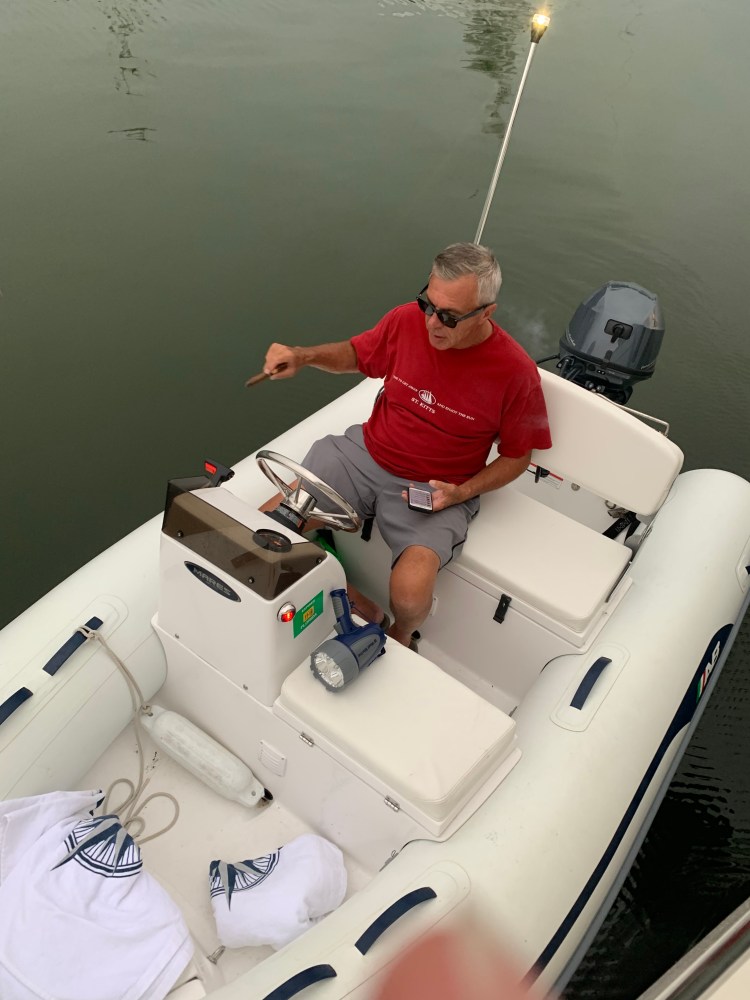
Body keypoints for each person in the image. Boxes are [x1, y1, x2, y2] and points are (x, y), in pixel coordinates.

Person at [260, 242, 551, 648]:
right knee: (264, 531)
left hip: (437, 488)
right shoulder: (405, 321)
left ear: (486, 313)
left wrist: (462, 492)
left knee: (411, 595)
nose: (432, 323)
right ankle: (352, 598)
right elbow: (357, 354)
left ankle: (399, 635)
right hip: (363, 454)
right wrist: (302, 356)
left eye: (449, 317)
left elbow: (518, 455)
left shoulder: (515, 372)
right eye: (428, 304)